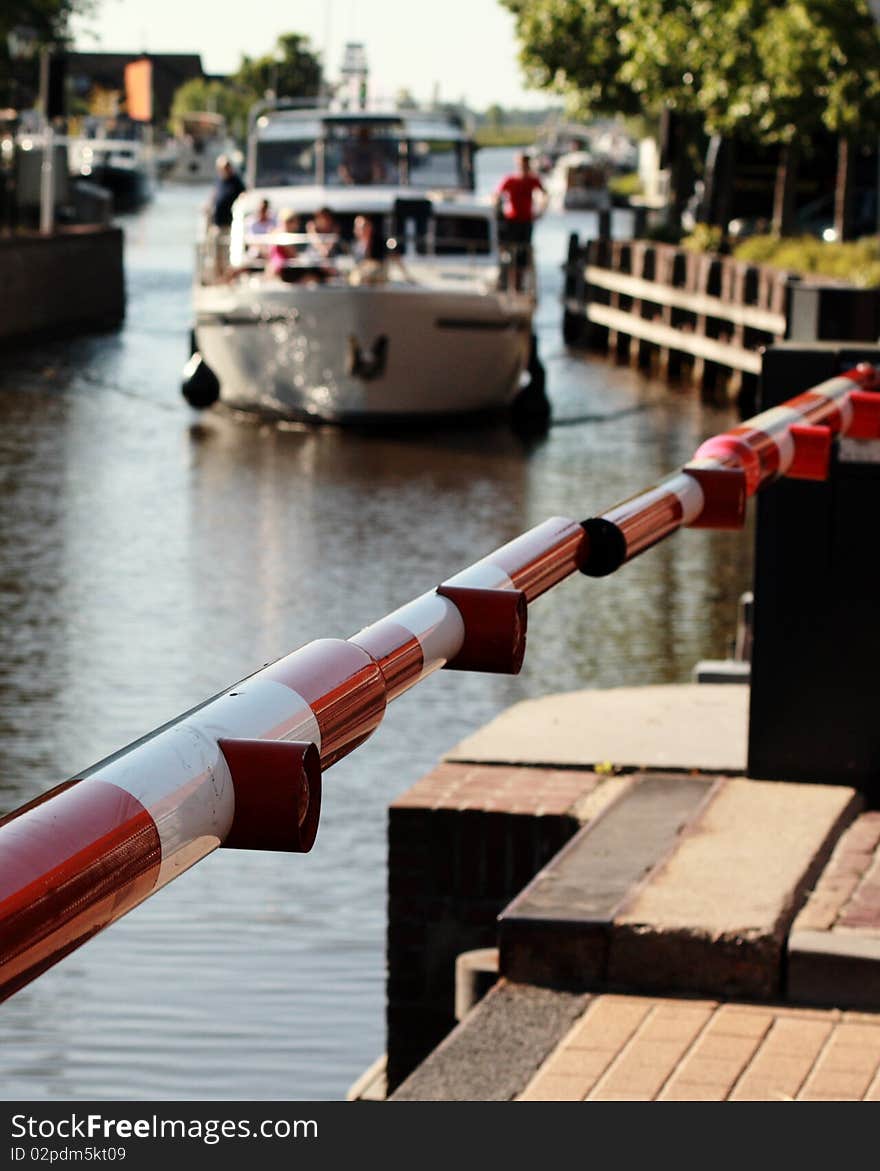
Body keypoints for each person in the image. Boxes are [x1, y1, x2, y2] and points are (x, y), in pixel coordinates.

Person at [494, 151, 547, 255]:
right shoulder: (510, 179)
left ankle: (522, 268)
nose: (523, 165)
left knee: (524, 248)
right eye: (521, 162)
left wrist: (541, 211)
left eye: (525, 162)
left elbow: (545, 194)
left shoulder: (533, 180)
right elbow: (497, 194)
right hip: (512, 219)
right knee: (511, 246)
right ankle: (512, 268)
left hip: (527, 219)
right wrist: (498, 210)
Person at [210, 154, 245, 229]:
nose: (225, 170)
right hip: (216, 221)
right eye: (222, 168)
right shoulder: (219, 180)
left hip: (229, 221)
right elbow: (214, 195)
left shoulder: (236, 181)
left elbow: (243, 194)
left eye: (226, 167)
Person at [266, 209, 303, 278]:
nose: (297, 225)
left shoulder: (275, 232)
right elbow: (293, 255)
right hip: (282, 270)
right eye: (296, 222)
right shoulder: (283, 234)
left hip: (274, 267)